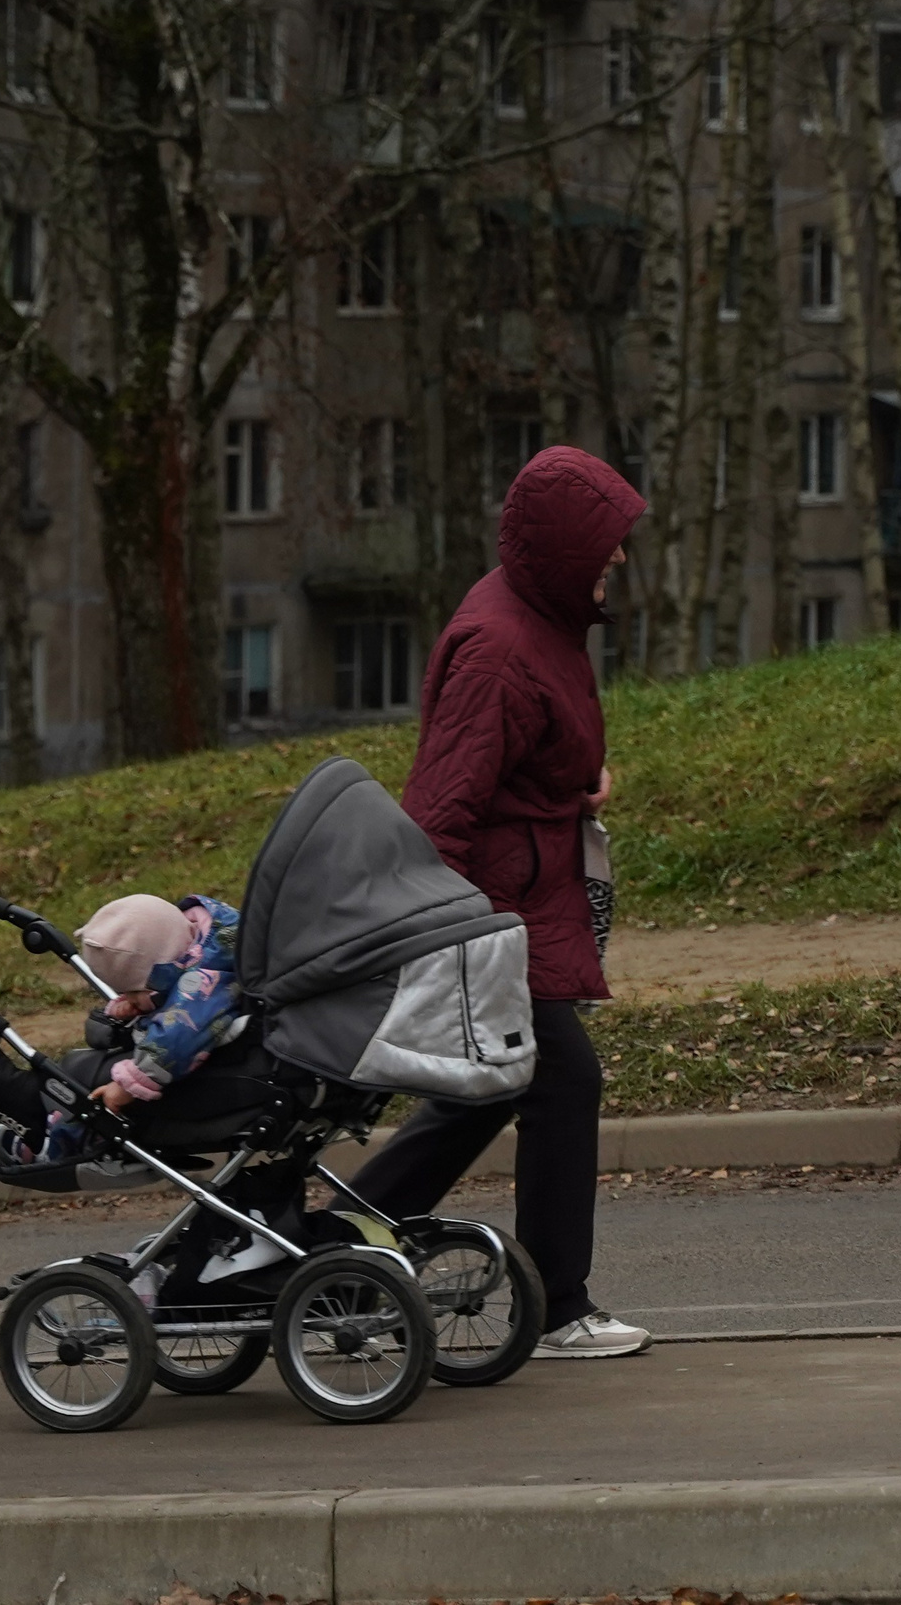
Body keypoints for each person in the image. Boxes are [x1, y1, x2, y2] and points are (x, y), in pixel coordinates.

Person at [341, 444, 652, 1360]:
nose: (619, 559)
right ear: (561, 548)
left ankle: (344, 1241)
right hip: (492, 914)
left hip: (524, 898)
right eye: (607, 541)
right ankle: (557, 1305)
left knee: (488, 1089)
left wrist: (577, 784)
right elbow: (438, 811)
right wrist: (446, 941)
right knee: (561, 1078)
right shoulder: (499, 648)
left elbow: (526, 753)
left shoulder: (544, 618)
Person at [10, 893, 242, 1163]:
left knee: (97, 1091)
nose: (130, 998)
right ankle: (46, 1124)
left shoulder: (201, 987)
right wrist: (137, 1001)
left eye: (134, 991)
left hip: (202, 1073)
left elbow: (175, 1040)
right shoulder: (200, 936)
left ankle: (58, 1146)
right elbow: (171, 989)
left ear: (163, 971)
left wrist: (129, 1084)